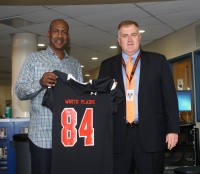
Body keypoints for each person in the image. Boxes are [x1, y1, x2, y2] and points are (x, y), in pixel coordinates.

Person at [98, 20, 180, 174]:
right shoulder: (106, 66)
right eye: (125, 35)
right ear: (118, 40)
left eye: (133, 35)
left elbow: (170, 98)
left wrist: (173, 129)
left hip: (151, 134)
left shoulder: (158, 61)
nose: (129, 39)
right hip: (118, 137)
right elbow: (101, 102)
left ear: (140, 38)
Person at [15, 19, 83, 174]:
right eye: (56, 31)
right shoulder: (34, 59)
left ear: (68, 36)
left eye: (64, 32)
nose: (60, 35)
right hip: (42, 136)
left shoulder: (74, 64)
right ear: (48, 33)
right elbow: (19, 91)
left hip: (68, 137)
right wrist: (40, 82)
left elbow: (80, 98)